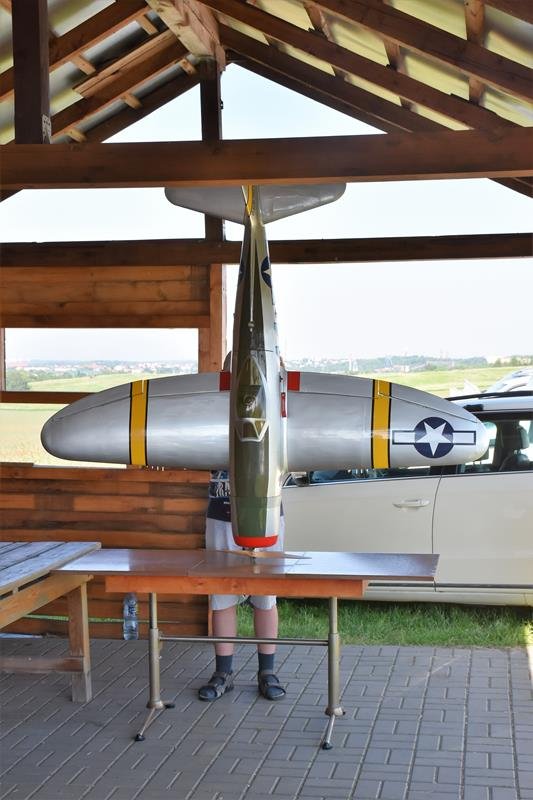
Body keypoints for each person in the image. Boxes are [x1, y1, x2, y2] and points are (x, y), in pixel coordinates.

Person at [198, 468, 286, 702]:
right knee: (222, 596)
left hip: (266, 511)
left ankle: (267, 672)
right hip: (221, 512)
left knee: (266, 596)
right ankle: (223, 673)